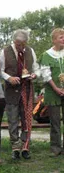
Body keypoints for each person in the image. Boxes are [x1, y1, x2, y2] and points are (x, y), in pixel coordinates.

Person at [0, 29, 40, 160]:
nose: (21, 47)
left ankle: (25, 147)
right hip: (11, 90)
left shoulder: (30, 51)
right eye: (18, 44)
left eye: (23, 44)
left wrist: (34, 75)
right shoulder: (5, 52)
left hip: (27, 90)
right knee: (12, 120)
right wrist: (9, 78)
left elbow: (36, 68)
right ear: (14, 41)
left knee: (26, 119)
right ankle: (15, 148)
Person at [40, 28, 64, 156]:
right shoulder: (46, 55)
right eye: (61, 37)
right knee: (55, 121)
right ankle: (55, 148)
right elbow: (46, 75)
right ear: (54, 40)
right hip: (52, 92)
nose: (63, 39)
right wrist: (56, 88)